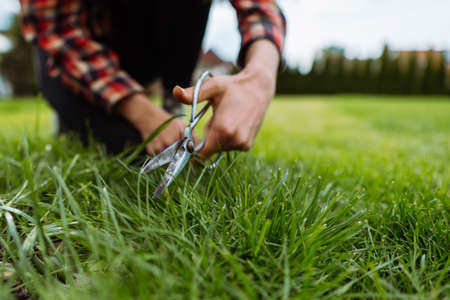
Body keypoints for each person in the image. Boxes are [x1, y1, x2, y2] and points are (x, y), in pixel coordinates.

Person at [20, 0, 286, 159]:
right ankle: (71, 117)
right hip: (72, 57)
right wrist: (141, 112)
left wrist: (259, 77)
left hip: (148, 45)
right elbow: (57, 31)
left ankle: (174, 102)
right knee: (123, 145)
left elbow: (260, 9)